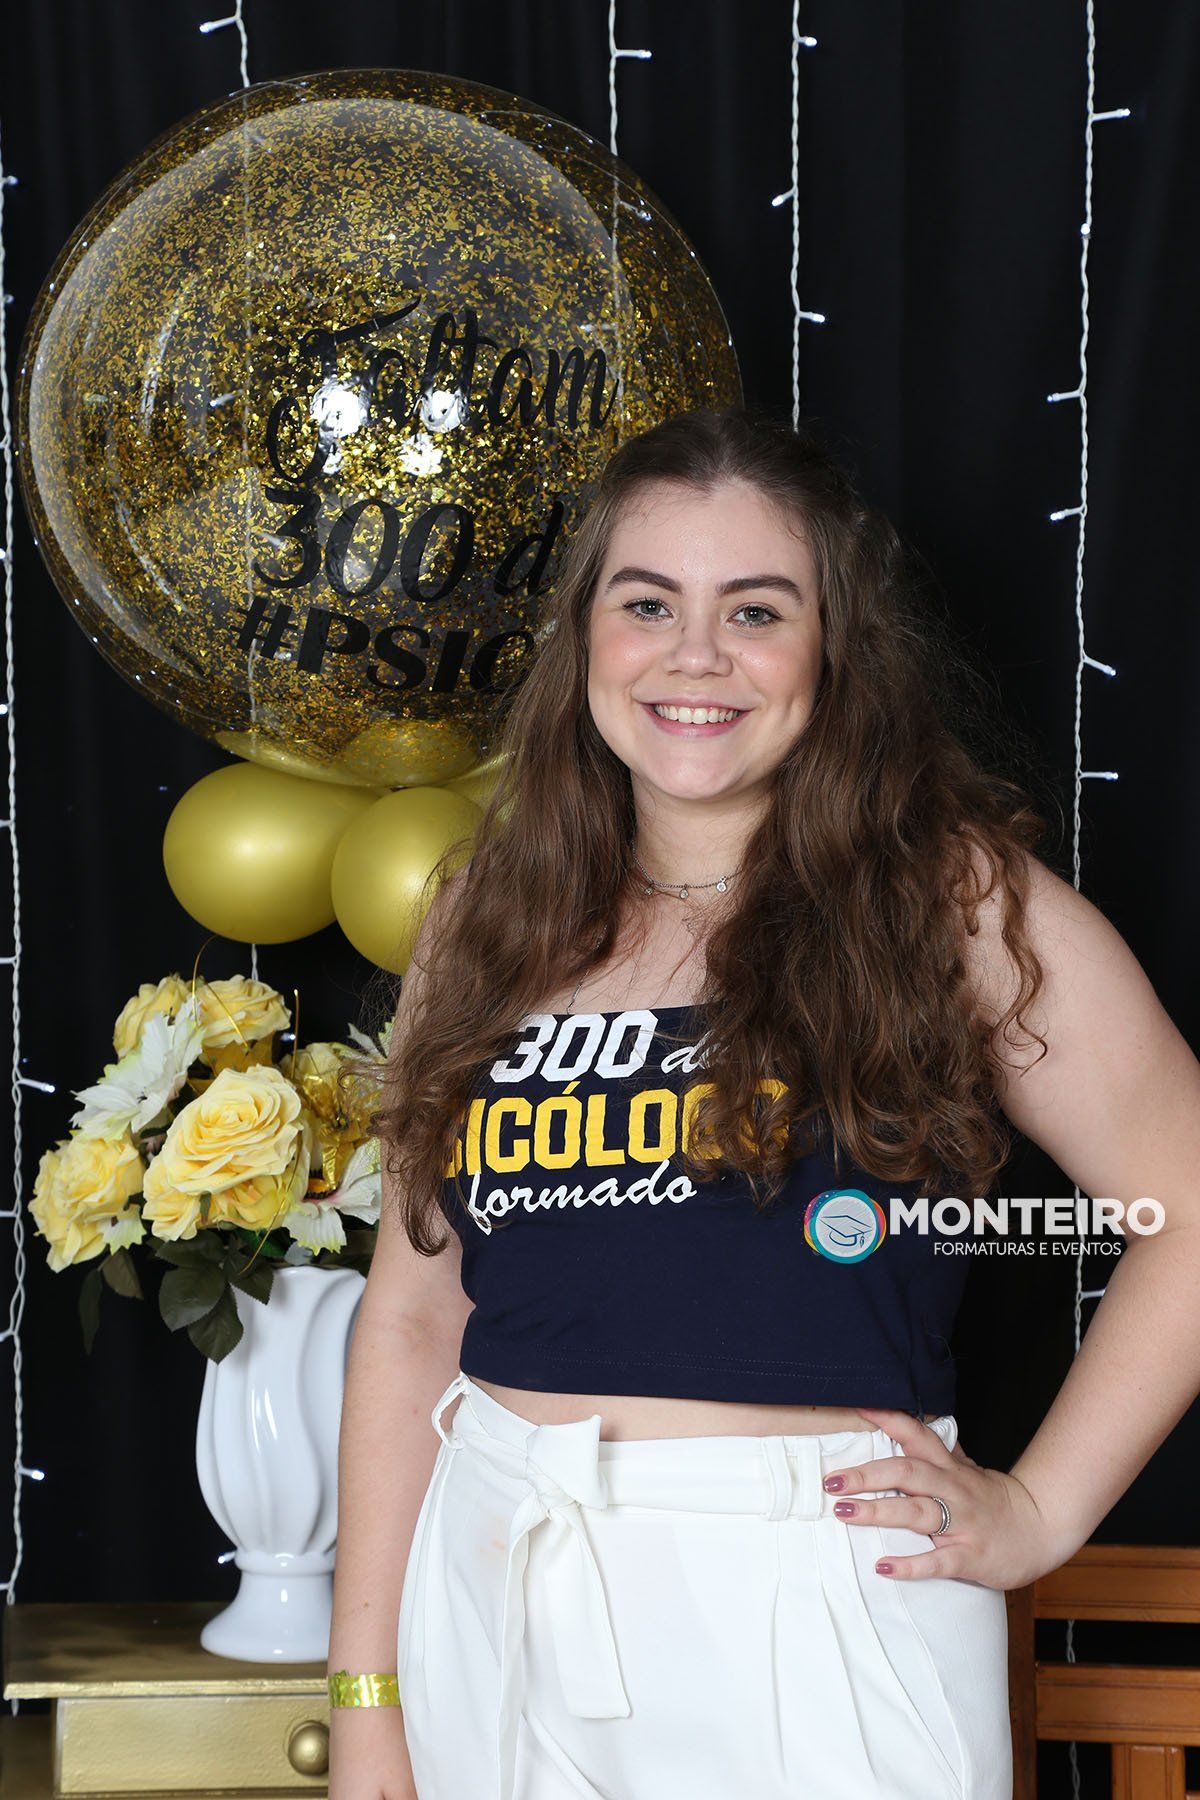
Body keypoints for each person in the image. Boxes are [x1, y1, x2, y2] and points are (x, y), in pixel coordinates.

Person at [327, 407, 1200, 1800]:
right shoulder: (486, 914)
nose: (695, 656)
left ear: (833, 647)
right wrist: (366, 1694)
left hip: (815, 1600)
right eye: (647, 604)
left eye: (756, 611)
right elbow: (414, 1316)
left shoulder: (953, 904)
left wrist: (1040, 1511)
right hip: (494, 1579)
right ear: (584, 636)